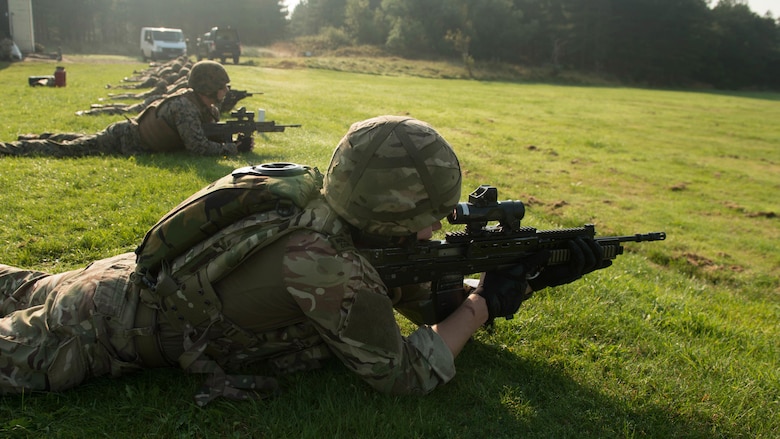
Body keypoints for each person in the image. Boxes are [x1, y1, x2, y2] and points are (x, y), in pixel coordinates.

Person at [0, 116, 608, 405]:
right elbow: (404, 374)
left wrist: (525, 275)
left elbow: (416, 293)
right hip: (93, 329)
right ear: (389, 214)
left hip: (111, 280)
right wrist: (483, 304)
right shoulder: (328, 264)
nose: (434, 225)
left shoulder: (321, 207)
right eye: (428, 213)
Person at [0, 61, 250, 157]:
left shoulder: (204, 106)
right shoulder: (184, 106)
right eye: (222, 86)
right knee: (67, 150)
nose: (226, 91)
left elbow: (207, 132)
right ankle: (10, 148)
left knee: (76, 140)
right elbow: (197, 146)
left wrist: (230, 137)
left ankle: (34, 137)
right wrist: (232, 148)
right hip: (123, 140)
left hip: (126, 136)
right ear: (207, 87)